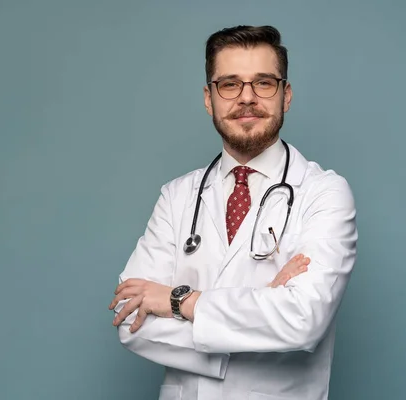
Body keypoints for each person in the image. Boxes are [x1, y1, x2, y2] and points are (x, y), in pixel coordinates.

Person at [109, 25, 357, 400]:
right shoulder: (177, 196)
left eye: (264, 83)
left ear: (285, 95)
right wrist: (262, 302)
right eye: (229, 84)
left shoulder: (323, 192)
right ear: (209, 98)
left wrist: (179, 301)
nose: (247, 98)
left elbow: (303, 320)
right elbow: (131, 319)